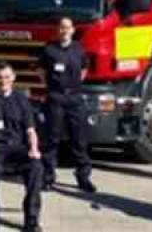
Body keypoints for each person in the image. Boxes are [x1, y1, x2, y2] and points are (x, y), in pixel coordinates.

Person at [0, 62, 43, 232]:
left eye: (6, 77)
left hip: (18, 147)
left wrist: (34, 149)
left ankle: (31, 220)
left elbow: (30, 130)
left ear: (13, 78)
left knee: (36, 166)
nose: (3, 81)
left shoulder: (22, 100)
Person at [36, 16, 95, 193]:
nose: (64, 31)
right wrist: (52, 87)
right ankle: (48, 177)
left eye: (67, 28)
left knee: (79, 139)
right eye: (61, 28)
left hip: (75, 98)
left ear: (73, 30)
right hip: (55, 97)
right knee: (51, 138)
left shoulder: (79, 49)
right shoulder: (49, 50)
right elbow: (41, 71)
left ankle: (83, 177)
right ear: (57, 30)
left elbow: (84, 69)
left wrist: (74, 85)